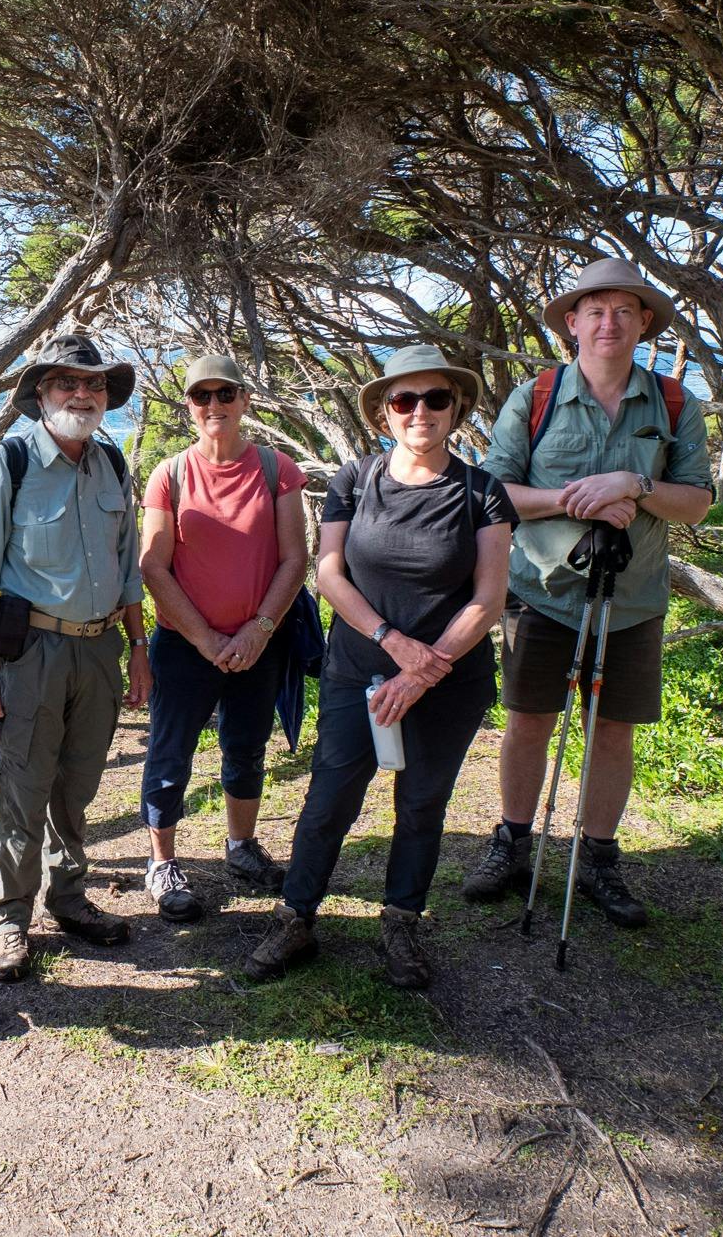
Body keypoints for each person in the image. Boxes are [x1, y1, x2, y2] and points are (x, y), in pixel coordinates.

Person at [244, 344, 515, 989]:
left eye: (435, 399)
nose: (420, 411)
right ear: (384, 413)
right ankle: (296, 918)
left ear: (456, 408)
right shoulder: (354, 480)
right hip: (358, 670)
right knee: (330, 795)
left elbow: (490, 597)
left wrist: (425, 670)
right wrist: (393, 645)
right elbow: (328, 572)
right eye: (404, 400)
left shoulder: (482, 491)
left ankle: (401, 923)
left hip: (449, 679)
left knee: (422, 802)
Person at [461, 259, 712, 928]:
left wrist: (635, 486)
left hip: (632, 601)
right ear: (572, 323)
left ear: (644, 324)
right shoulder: (534, 396)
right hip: (540, 593)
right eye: (595, 310)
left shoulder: (676, 402)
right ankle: (512, 842)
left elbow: (696, 503)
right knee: (528, 722)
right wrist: (574, 500)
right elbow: (492, 491)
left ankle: (599, 857)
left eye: (624, 311)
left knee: (612, 733)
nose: (609, 323)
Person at [0, 333, 150, 982]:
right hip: (29, 652)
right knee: (20, 788)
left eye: (93, 385)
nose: (82, 395)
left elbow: (126, 568)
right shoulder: (5, 465)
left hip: (99, 652)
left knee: (77, 785)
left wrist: (138, 648)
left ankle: (67, 897)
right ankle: (9, 917)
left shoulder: (112, 465)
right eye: (68, 383)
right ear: (41, 394)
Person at [138, 354, 308, 921]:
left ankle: (240, 845)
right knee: (170, 754)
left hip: (260, 642)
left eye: (225, 393)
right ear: (189, 405)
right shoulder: (170, 475)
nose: (215, 405)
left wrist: (258, 630)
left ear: (244, 400)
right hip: (187, 645)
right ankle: (162, 863)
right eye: (201, 396)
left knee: (245, 746)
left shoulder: (275, 467)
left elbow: (294, 557)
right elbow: (153, 567)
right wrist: (207, 639)